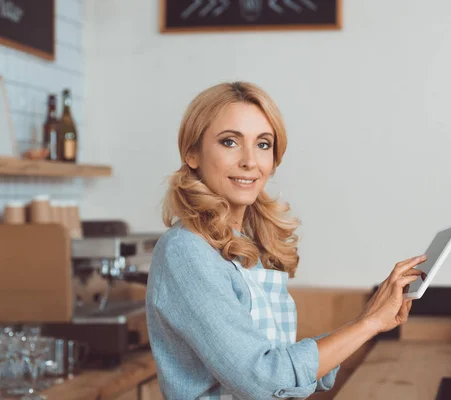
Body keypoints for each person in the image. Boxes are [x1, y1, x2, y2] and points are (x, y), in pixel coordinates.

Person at [145, 81, 426, 399]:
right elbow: (264, 380)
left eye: (263, 144)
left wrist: (366, 319)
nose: (250, 161)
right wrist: (368, 324)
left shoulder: (241, 246)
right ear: (191, 153)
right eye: (229, 142)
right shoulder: (186, 252)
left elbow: (278, 362)